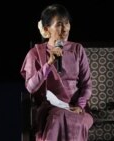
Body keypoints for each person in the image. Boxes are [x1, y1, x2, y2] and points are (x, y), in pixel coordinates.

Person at [20, 4, 93, 141]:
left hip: (77, 108)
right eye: (59, 24)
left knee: (78, 120)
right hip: (51, 109)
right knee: (57, 117)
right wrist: (49, 63)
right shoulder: (35, 54)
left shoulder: (77, 49)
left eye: (67, 23)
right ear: (47, 29)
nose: (65, 29)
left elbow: (87, 85)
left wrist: (80, 106)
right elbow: (30, 87)